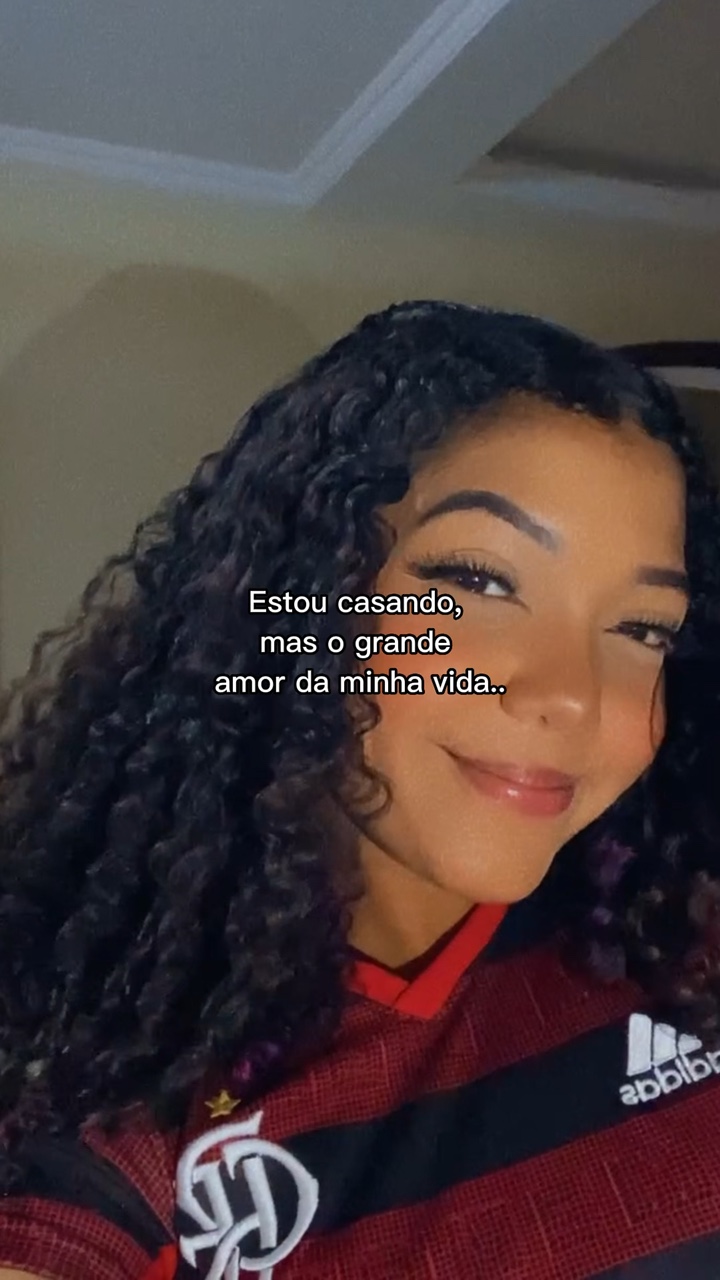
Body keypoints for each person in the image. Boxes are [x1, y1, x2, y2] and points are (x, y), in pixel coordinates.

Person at [0, 300, 719, 1280]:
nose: (570, 694)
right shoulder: (110, 1080)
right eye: (480, 581)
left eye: (643, 628)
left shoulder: (678, 927)